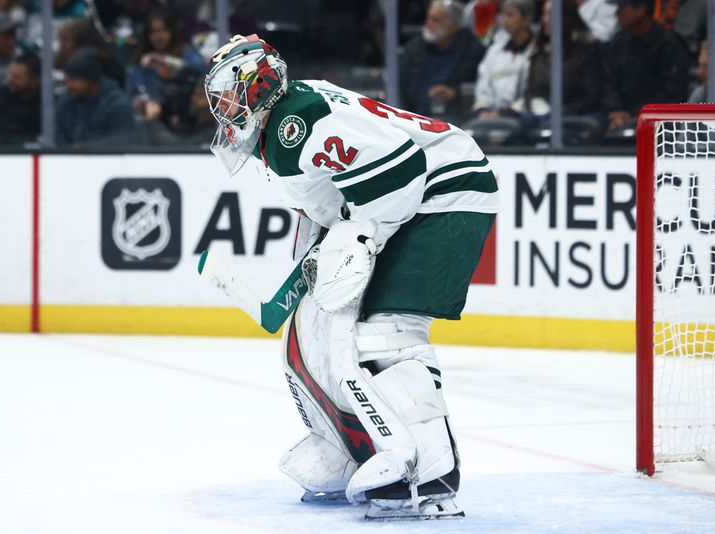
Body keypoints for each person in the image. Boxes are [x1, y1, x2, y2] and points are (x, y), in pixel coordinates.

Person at [204, 34, 499, 519]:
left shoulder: (294, 124)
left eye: (227, 92)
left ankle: (430, 470)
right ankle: (352, 448)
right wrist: (320, 260)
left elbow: (401, 172)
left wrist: (362, 237)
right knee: (317, 329)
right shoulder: (280, 125)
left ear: (255, 83)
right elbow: (327, 205)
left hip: (445, 193)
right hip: (419, 200)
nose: (222, 107)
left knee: (388, 330)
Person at [600, 0, 690, 131]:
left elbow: (671, 93)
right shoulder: (618, 43)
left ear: (641, 9)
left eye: (623, 7)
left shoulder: (669, 45)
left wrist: (634, 114)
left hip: (656, 123)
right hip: (616, 117)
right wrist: (615, 109)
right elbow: (609, 83)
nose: (617, 13)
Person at [518, 0, 602, 125]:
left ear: (565, 16)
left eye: (550, 14)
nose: (545, 20)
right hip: (540, 115)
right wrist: (531, 105)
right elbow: (531, 90)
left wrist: (562, 111)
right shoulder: (539, 53)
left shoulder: (586, 52)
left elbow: (592, 95)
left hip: (574, 116)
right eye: (544, 14)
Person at [399, 0, 485, 123]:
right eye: (428, 17)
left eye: (436, 20)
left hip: (457, 122)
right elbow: (402, 88)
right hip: (415, 120)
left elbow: (475, 90)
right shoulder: (414, 48)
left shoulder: (472, 51)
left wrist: (455, 92)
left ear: (454, 26)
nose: (428, 24)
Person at [126, 8, 205, 116]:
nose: (159, 36)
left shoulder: (186, 52)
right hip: (154, 119)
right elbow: (132, 97)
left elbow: (203, 70)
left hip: (186, 115)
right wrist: (138, 103)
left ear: (171, 31)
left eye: (163, 30)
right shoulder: (140, 65)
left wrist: (167, 60)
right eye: (153, 32)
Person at [55, 47, 136, 147]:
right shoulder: (65, 102)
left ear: (91, 80)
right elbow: (56, 135)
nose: (69, 85)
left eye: (74, 80)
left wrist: (83, 147)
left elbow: (123, 139)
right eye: (67, 80)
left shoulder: (117, 104)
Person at [473, 0, 537, 118]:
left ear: (526, 19)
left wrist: (505, 113)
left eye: (510, 15)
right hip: (491, 115)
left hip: (524, 116)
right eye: (503, 15)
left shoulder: (537, 51)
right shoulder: (495, 51)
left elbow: (533, 92)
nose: (505, 20)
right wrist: (483, 109)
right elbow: (483, 83)